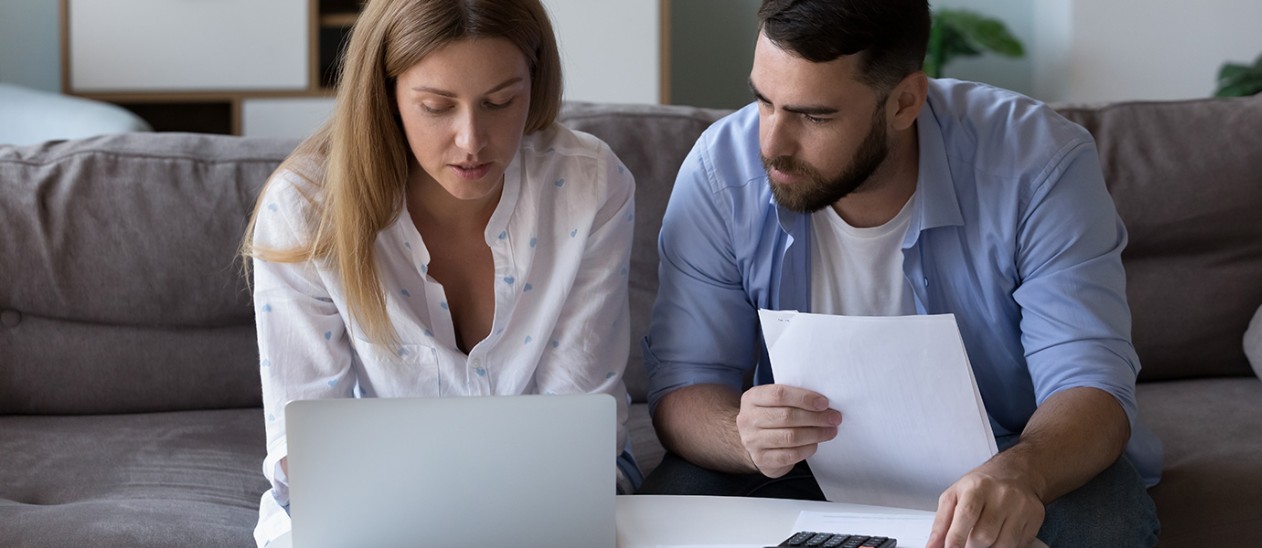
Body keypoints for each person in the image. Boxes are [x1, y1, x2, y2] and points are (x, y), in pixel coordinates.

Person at [640, 0, 1162, 546]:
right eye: (764, 102)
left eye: (815, 116)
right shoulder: (720, 172)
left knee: (1104, 526)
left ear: (905, 102)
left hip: (1007, 451)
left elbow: (1090, 382)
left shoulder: (1038, 163)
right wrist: (742, 436)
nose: (771, 144)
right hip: (797, 463)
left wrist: (1023, 472)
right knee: (662, 513)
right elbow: (684, 383)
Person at [240, 0, 639, 545]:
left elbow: (582, 422)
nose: (472, 140)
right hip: (376, 502)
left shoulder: (590, 186)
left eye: (501, 101)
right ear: (386, 96)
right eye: (436, 106)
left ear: (535, 82)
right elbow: (303, 448)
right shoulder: (306, 209)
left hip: (552, 495)